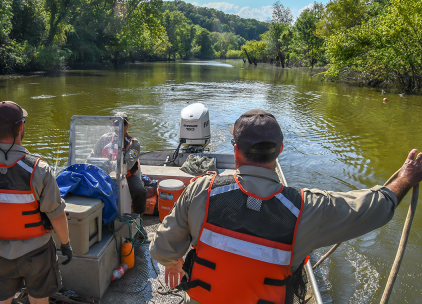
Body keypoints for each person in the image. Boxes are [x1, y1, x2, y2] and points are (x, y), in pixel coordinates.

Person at [149, 109, 422, 304]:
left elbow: (161, 249)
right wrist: (405, 179)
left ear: (235, 151)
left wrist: (174, 264)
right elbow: (375, 208)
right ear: (279, 150)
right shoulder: (307, 208)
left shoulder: (200, 190)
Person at [0, 101, 73, 304]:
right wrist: (66, 244)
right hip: (37, 253)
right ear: (21, 127)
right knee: (38, 300)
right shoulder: (39, 169)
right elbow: (57, 215)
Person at [89, 112, 147, 233]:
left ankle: (138, 220)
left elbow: (128, 164)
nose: (119, 126)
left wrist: (107, 164)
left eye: (123, 123)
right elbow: (93, 156)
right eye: (116, 123)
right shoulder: (104, 138)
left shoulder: (133, 143)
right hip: (103, 174)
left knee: (140, 191)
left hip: (126, 176)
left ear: (127, 125)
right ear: (112, 124)